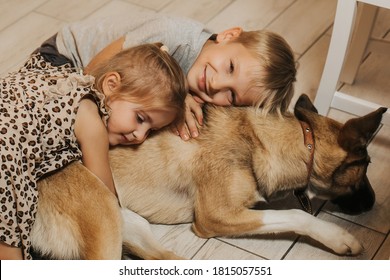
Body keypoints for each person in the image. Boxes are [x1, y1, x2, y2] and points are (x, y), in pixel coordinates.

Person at [0, 43, 187, 260]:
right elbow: (105, 192)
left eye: (150, 130)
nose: (139, 135)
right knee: (10, 234)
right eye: (140, 119)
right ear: (111, 85)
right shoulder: (91, 122)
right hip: (6, 149)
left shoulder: (67, 78)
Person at [38, 11, 297, 141]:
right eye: (230, 67)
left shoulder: (206, 87)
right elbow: (93, 73)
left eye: (232, 95)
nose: (216, 84)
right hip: (66, 61)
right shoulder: (173, 36)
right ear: (228, 35)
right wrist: (177, 95)